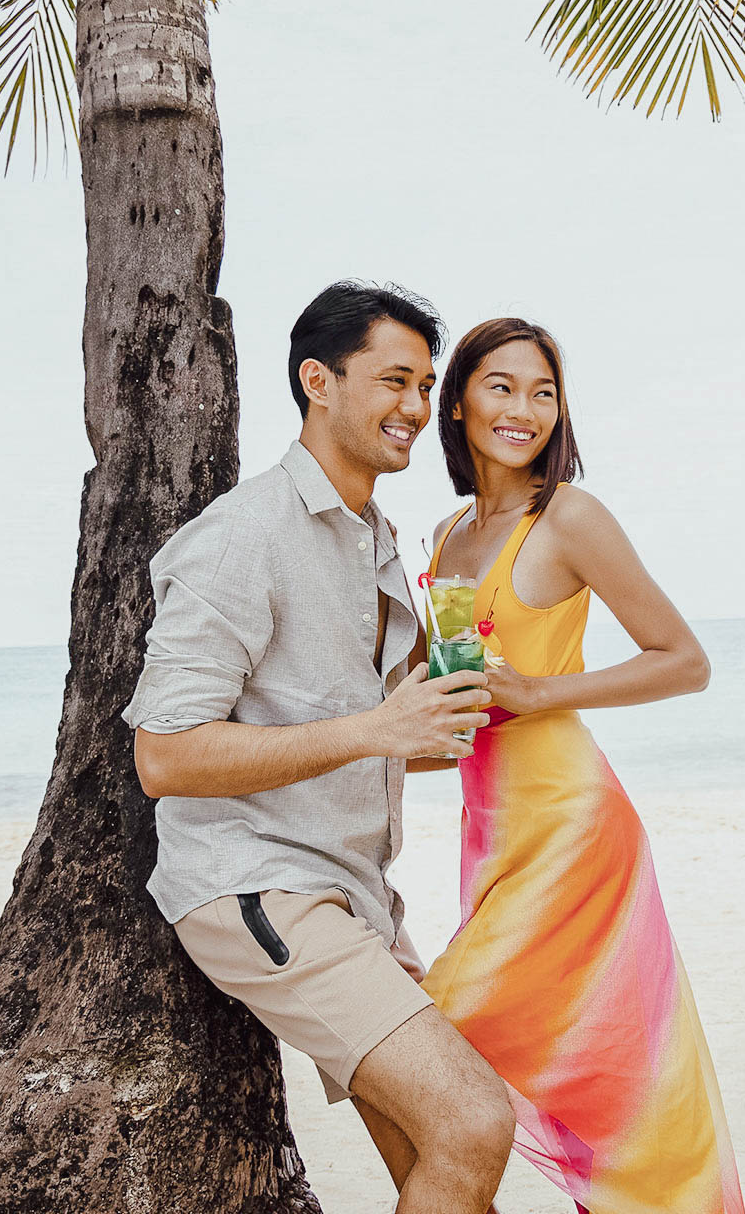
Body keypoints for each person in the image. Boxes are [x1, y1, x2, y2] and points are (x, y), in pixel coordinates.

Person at [123, 282, 515, 1214]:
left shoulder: (376, 537)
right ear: (318, 381)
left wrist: (450, 715)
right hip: (257, 886)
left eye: (426, 386)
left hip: (357, 892)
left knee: (443, 1157)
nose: (418, 409)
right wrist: (380, 728)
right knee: (474, 1123)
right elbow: (164, 755)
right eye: (393, 380)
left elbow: (390, 735)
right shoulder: (243, 535)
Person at [415, 317, 745, 1214]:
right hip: (491, 833)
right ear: (457, 402)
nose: (523, 409)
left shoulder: (569, 516)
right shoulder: (444, 537)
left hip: (569, 825)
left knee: (441, 1028)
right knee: (581, 1078)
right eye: (501, 385)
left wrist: (541, 693)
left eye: (544, 392)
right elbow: (447, 704)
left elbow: (684, 659)